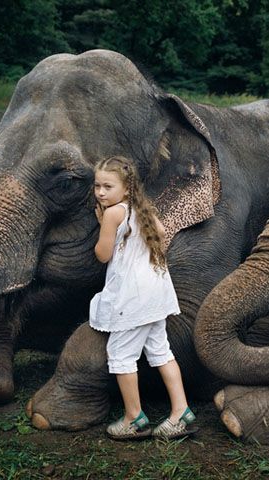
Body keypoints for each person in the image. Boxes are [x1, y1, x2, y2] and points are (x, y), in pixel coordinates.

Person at [90, 155, 197, 441]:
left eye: (107, 187)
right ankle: (181, 412)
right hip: (156, 291)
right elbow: (161, 233)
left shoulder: (113, 214)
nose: (100, 192)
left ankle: (134, 418)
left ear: (125, 189)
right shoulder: (141, 208)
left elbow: (102, 255)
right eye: (97, 186)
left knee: (121, 354)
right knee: (161, 352)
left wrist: (102, 222)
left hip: (133, 297)